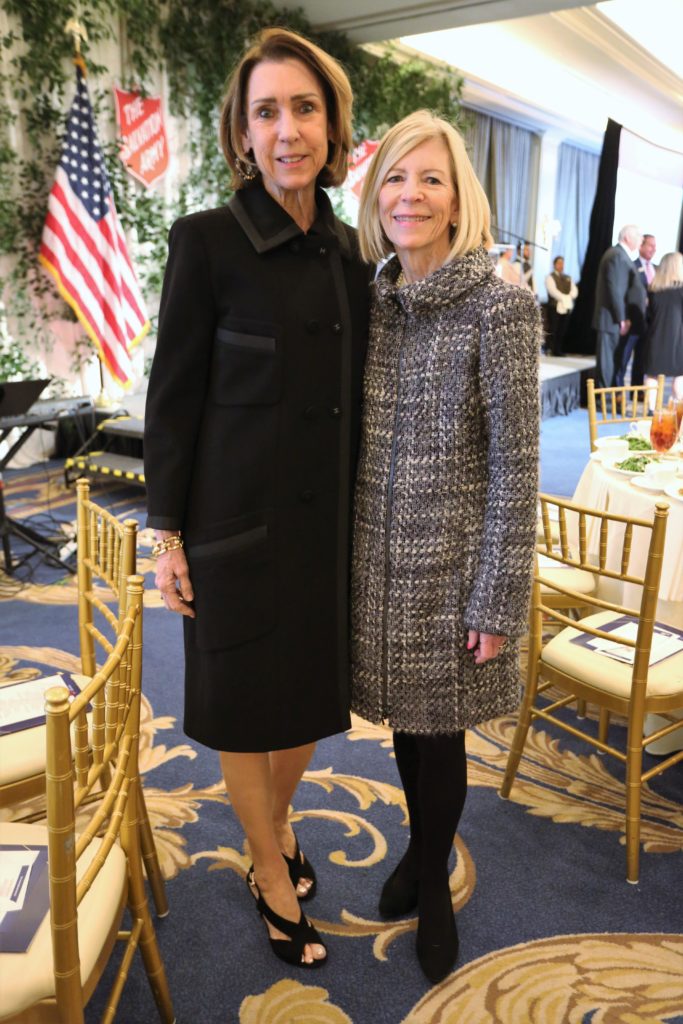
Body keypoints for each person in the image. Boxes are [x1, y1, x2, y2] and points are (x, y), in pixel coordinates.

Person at [143, 27, 370, 968]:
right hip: (232, 530)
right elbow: (173, 395)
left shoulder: (354, 252)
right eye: (266, 111)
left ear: (332, 125)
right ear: (243, 131)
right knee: (243, 705)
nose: (287, 130)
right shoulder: (205, 241)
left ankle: (268, 827)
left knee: (306, 705)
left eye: (304, 108)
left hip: (327, 532)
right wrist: (165, 535)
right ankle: (269, 870)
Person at [351, 110, 540, 984]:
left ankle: (432, 881)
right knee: (402, 721)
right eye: (395, 176)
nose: (410, 195)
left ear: (460, 195)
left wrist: (497, 597)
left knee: (443, 735)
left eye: (430, 179)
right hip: (376, 562)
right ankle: (417, 846)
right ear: (374, 192)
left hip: (455, 571)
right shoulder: (374, 299)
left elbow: (516, 462)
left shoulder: (499, 304)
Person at [592, 224, 642, 388]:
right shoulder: (617, 256)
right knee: (607, 362)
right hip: (611, 319)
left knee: (611, 361)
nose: (640, 240)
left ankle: (607, 399)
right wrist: (622, 319)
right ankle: (603, 401)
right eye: (638, 236)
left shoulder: (620, 255)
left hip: (614, 319)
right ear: (627, 237)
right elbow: (616, 290)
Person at [643, 251, 683, 401]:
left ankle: (651, 412)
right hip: (678, 340)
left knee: (652, 375)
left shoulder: (653, 291)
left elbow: (649, 316)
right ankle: (676, 414)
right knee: (679, 377)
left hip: (655, 339)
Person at [620, 233, 657, 387]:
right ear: (640, 246)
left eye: (655, 246)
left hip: (649, 323)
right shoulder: (631, 265)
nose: (653, 249)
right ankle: (618, 391)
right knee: (624, 357)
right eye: (650, 245)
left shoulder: (658, 268)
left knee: (642, 359)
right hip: (633, 320)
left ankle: (638, 391)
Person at [545, 255, 578, 356]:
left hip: (566, 306)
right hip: (554, 306)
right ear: (555, 264)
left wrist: (569, 297)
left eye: (562, 263)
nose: (561, 265)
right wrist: (564, 297)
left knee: (562, 329)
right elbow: (553, 291)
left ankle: (558, 349)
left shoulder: (567, 278)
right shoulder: (550, 277)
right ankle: (550, 348)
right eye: (559, 263)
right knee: (553, 328)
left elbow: (574, 290)